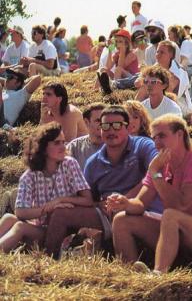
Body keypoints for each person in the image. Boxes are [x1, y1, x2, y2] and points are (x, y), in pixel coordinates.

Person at [110, 114, 192, 274]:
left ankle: (158, 274)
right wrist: (126, 203)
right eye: (154, 138)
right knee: (121, 220)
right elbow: (140, 204)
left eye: (162, 136)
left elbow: (180, 204)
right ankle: (130, 277)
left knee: (170, 215)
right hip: (176, 228)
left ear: (180, 135)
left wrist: (155, 173)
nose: (157, 143)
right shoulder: (160, 167)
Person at [43, 105, 160, 258]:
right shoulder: (93, 163)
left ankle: (129, 271)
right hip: (108, 214)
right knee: (59, 214)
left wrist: (127, 199)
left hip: (143, 208)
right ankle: (47, 264)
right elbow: (89, 198)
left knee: (122, 219)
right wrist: (100, 204)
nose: (111, 130)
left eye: (117, 125)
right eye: (105, 126)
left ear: (128, 127)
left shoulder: (143, 145)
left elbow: (157, 169)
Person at [0, 122, 93, 254]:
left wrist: (60, 200)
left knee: (20, 227)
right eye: (56, 143)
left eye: (63, 142)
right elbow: (20, 211)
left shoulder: (69, 164)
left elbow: (88, 200)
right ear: (43, 148)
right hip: (40, 226)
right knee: (9, 217)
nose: (63, 147)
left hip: (63, 227)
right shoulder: (30, 175)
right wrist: (46, 209)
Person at [67, 103, 107, 169]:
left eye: (105, 121)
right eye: (98, 121)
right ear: (86, 122)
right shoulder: (74, 148)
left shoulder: (116, 145)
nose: (103, 124)